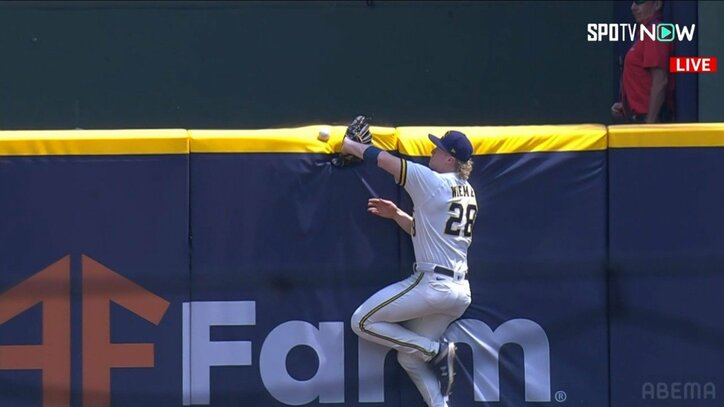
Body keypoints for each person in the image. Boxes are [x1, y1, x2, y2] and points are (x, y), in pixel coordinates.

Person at [341, 129, 477, 407]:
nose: (432, 152)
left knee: (362, 321)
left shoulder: (432, 182)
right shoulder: (470, 192)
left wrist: (348, 144)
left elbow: (384, 161)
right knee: (407, 357)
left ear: (451, 160)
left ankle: (436, 351)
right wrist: (398, 215)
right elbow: (427, 231)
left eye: (438, 150)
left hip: (434, 285)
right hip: (460, 292)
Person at [611, 0, 675, 123]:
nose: (633, 7)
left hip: (651, 121)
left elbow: (660, 81)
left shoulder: (655, 32)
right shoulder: (644, 32)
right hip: (639, 119)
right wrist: (625, 106)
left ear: (657, 4)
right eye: (633, 2)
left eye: (640, 2)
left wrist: (649, 124)